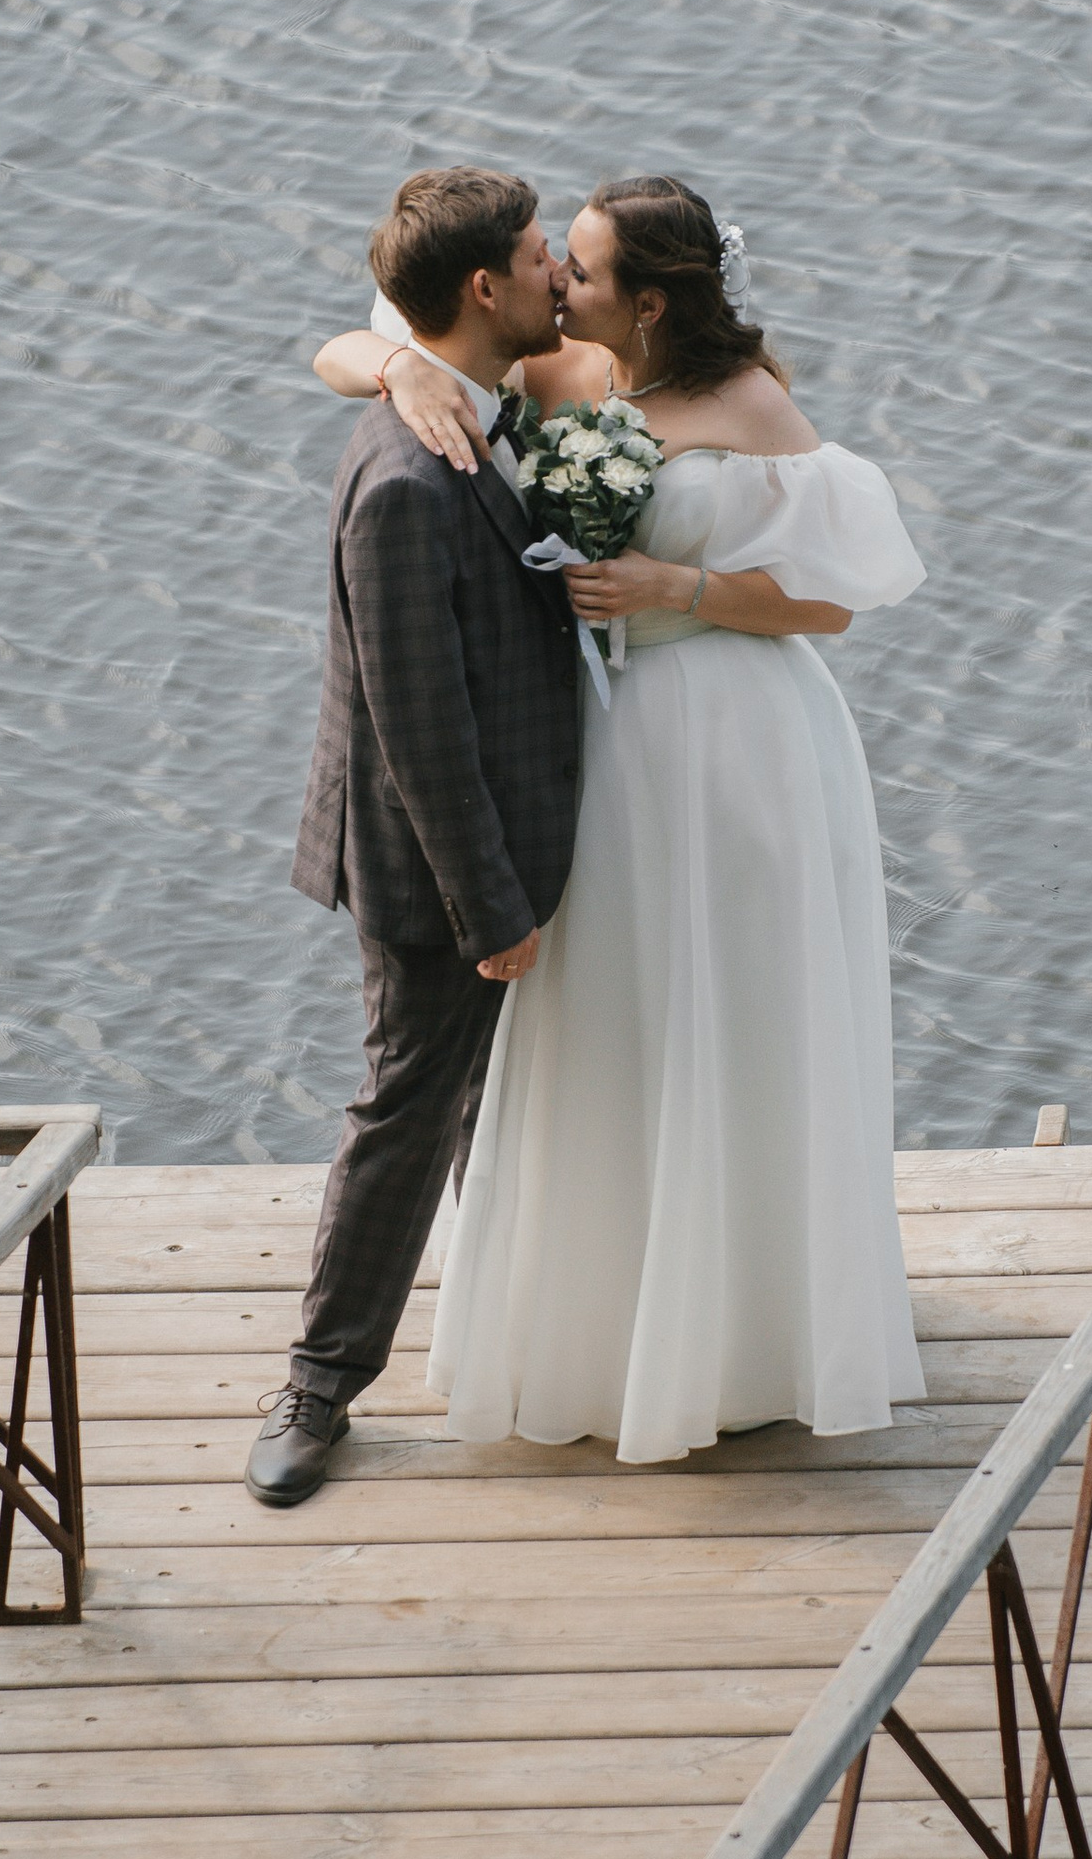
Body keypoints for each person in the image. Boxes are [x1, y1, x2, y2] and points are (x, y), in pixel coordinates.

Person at [311, 173, 926, 1463]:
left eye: (581, 270)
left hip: (740, 738)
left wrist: (681, 584)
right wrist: (394, 371)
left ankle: (751, 1324)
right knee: (615, 1026)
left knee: (741, 1020)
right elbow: (358, 333)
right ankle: (616, 1317)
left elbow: (832, 605)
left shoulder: (750, 406)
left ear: (648, 299)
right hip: (609, 742)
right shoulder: (554, 370)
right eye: (554, 263)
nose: (561, 283)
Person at [255, 168, 582, 1507]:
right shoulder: (404, 478)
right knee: (406, 1107)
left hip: (520, 841)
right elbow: (418, 728)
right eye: (538, 253)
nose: (559, 270)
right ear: (482, 289)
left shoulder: (467, 399)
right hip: (440, 871)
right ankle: (317, 1387)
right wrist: (490, 910)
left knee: (488, 1108)